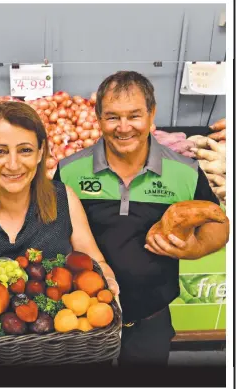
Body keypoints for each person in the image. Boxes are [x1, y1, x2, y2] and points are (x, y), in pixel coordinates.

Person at [53, 71, 229, 365]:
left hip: (151, 318)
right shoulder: (70, 171)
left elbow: (217, 224)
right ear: (98, 119)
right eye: (112, 117)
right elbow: (53, 232)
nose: (124, 128)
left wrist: (195, 248)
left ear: (151, 115)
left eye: (134, 116)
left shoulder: (185, 171)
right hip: (84, 318)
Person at [0, 101, 119, 305]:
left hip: (63, 334)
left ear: (40, 153)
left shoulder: (63, 200)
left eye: (25, 150)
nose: (13, 164)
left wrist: (108, 280)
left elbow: (95, 262)